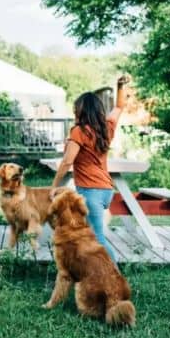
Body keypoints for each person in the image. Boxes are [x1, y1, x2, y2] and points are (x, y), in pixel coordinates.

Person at [49, 75, 131, 263]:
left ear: (81, 111)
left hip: (90, 192)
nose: (74, 114)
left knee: (97, 238)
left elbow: (67, 162)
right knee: (84, 233)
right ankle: (87, 273)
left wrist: (54, 186)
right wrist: (120, 86)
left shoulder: (79, 131)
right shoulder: (106, 128)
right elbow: (119, 107)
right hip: (106, 191)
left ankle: (114, 277)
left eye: (75, 110)